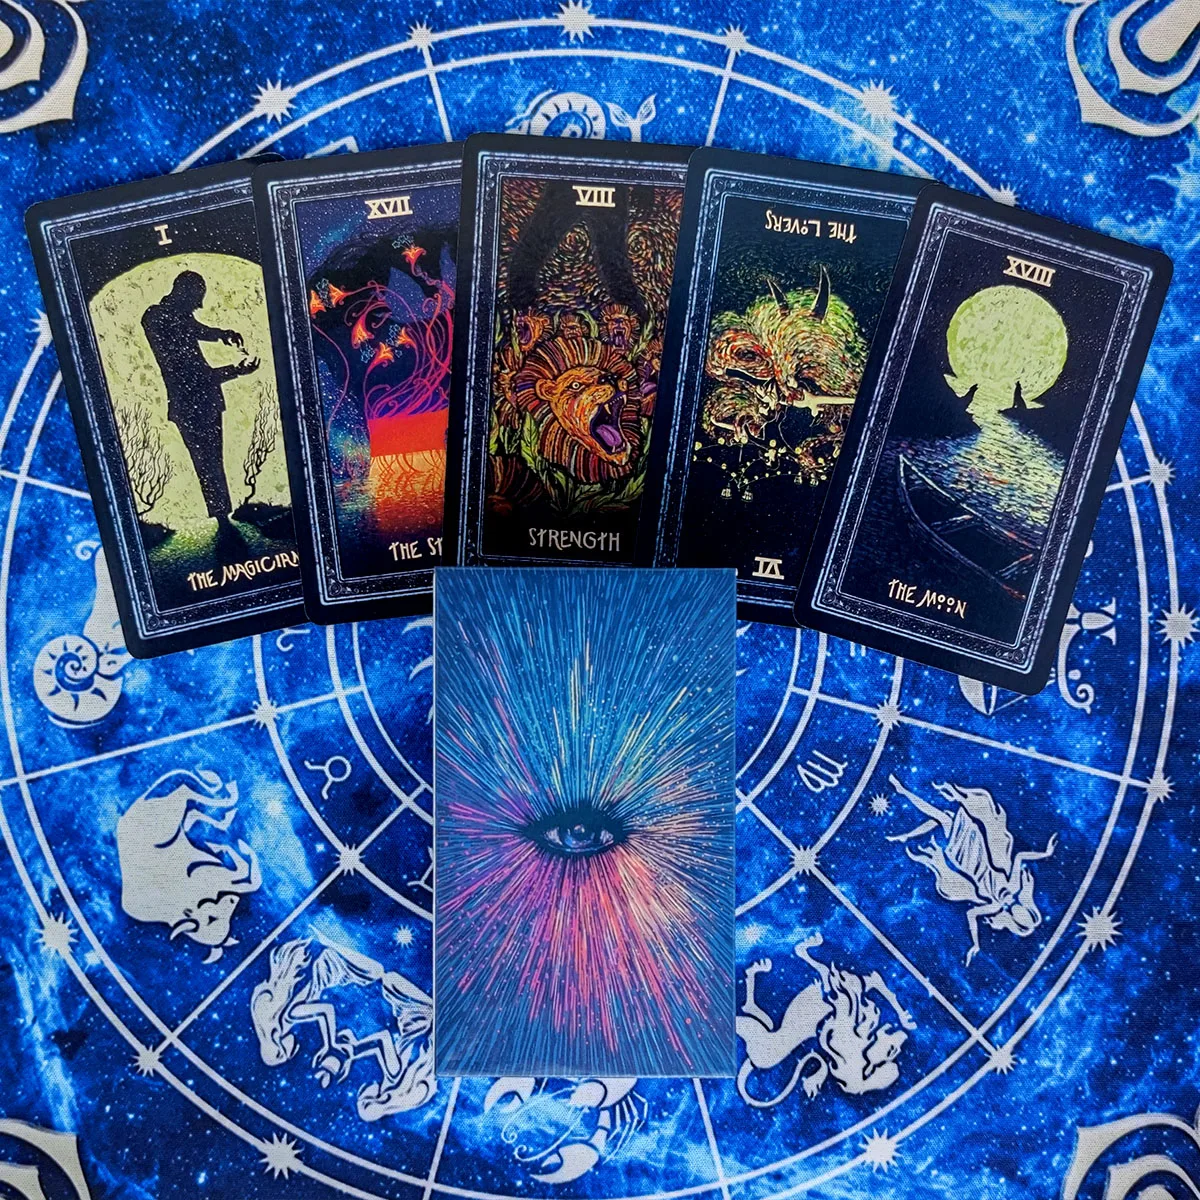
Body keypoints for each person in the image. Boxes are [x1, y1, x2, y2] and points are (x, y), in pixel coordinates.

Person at [140, 270, 259, 520]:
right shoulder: (158, 317)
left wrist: (223, 334)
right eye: (196, 300)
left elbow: (197, 329)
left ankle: (223, 516)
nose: (199, 306)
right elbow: (192, 375)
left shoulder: (174, 317)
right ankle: (220, 517)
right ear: (183, 294)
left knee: (213, 463)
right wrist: (235, 370)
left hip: (203, 402)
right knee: (207, 465)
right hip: (190, 403)